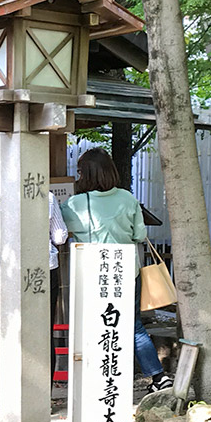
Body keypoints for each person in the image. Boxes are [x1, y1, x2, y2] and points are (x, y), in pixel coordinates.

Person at [60, 148, 173, 393]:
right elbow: (139, 235)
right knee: (133, 326)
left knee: (94, 324)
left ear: (86, 174)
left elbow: (60, 233)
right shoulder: (128, 198)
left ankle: (98, 379)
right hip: (126, 270)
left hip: (93, 271)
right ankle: (158, 377)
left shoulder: (76, 204)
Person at [0, 179, 69, 382]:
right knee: (43, 332)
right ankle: (45, 392)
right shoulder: (48, 198)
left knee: (15, 329)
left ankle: (16, 387)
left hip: (11, 273)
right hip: (44, 270)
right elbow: (60, 236)